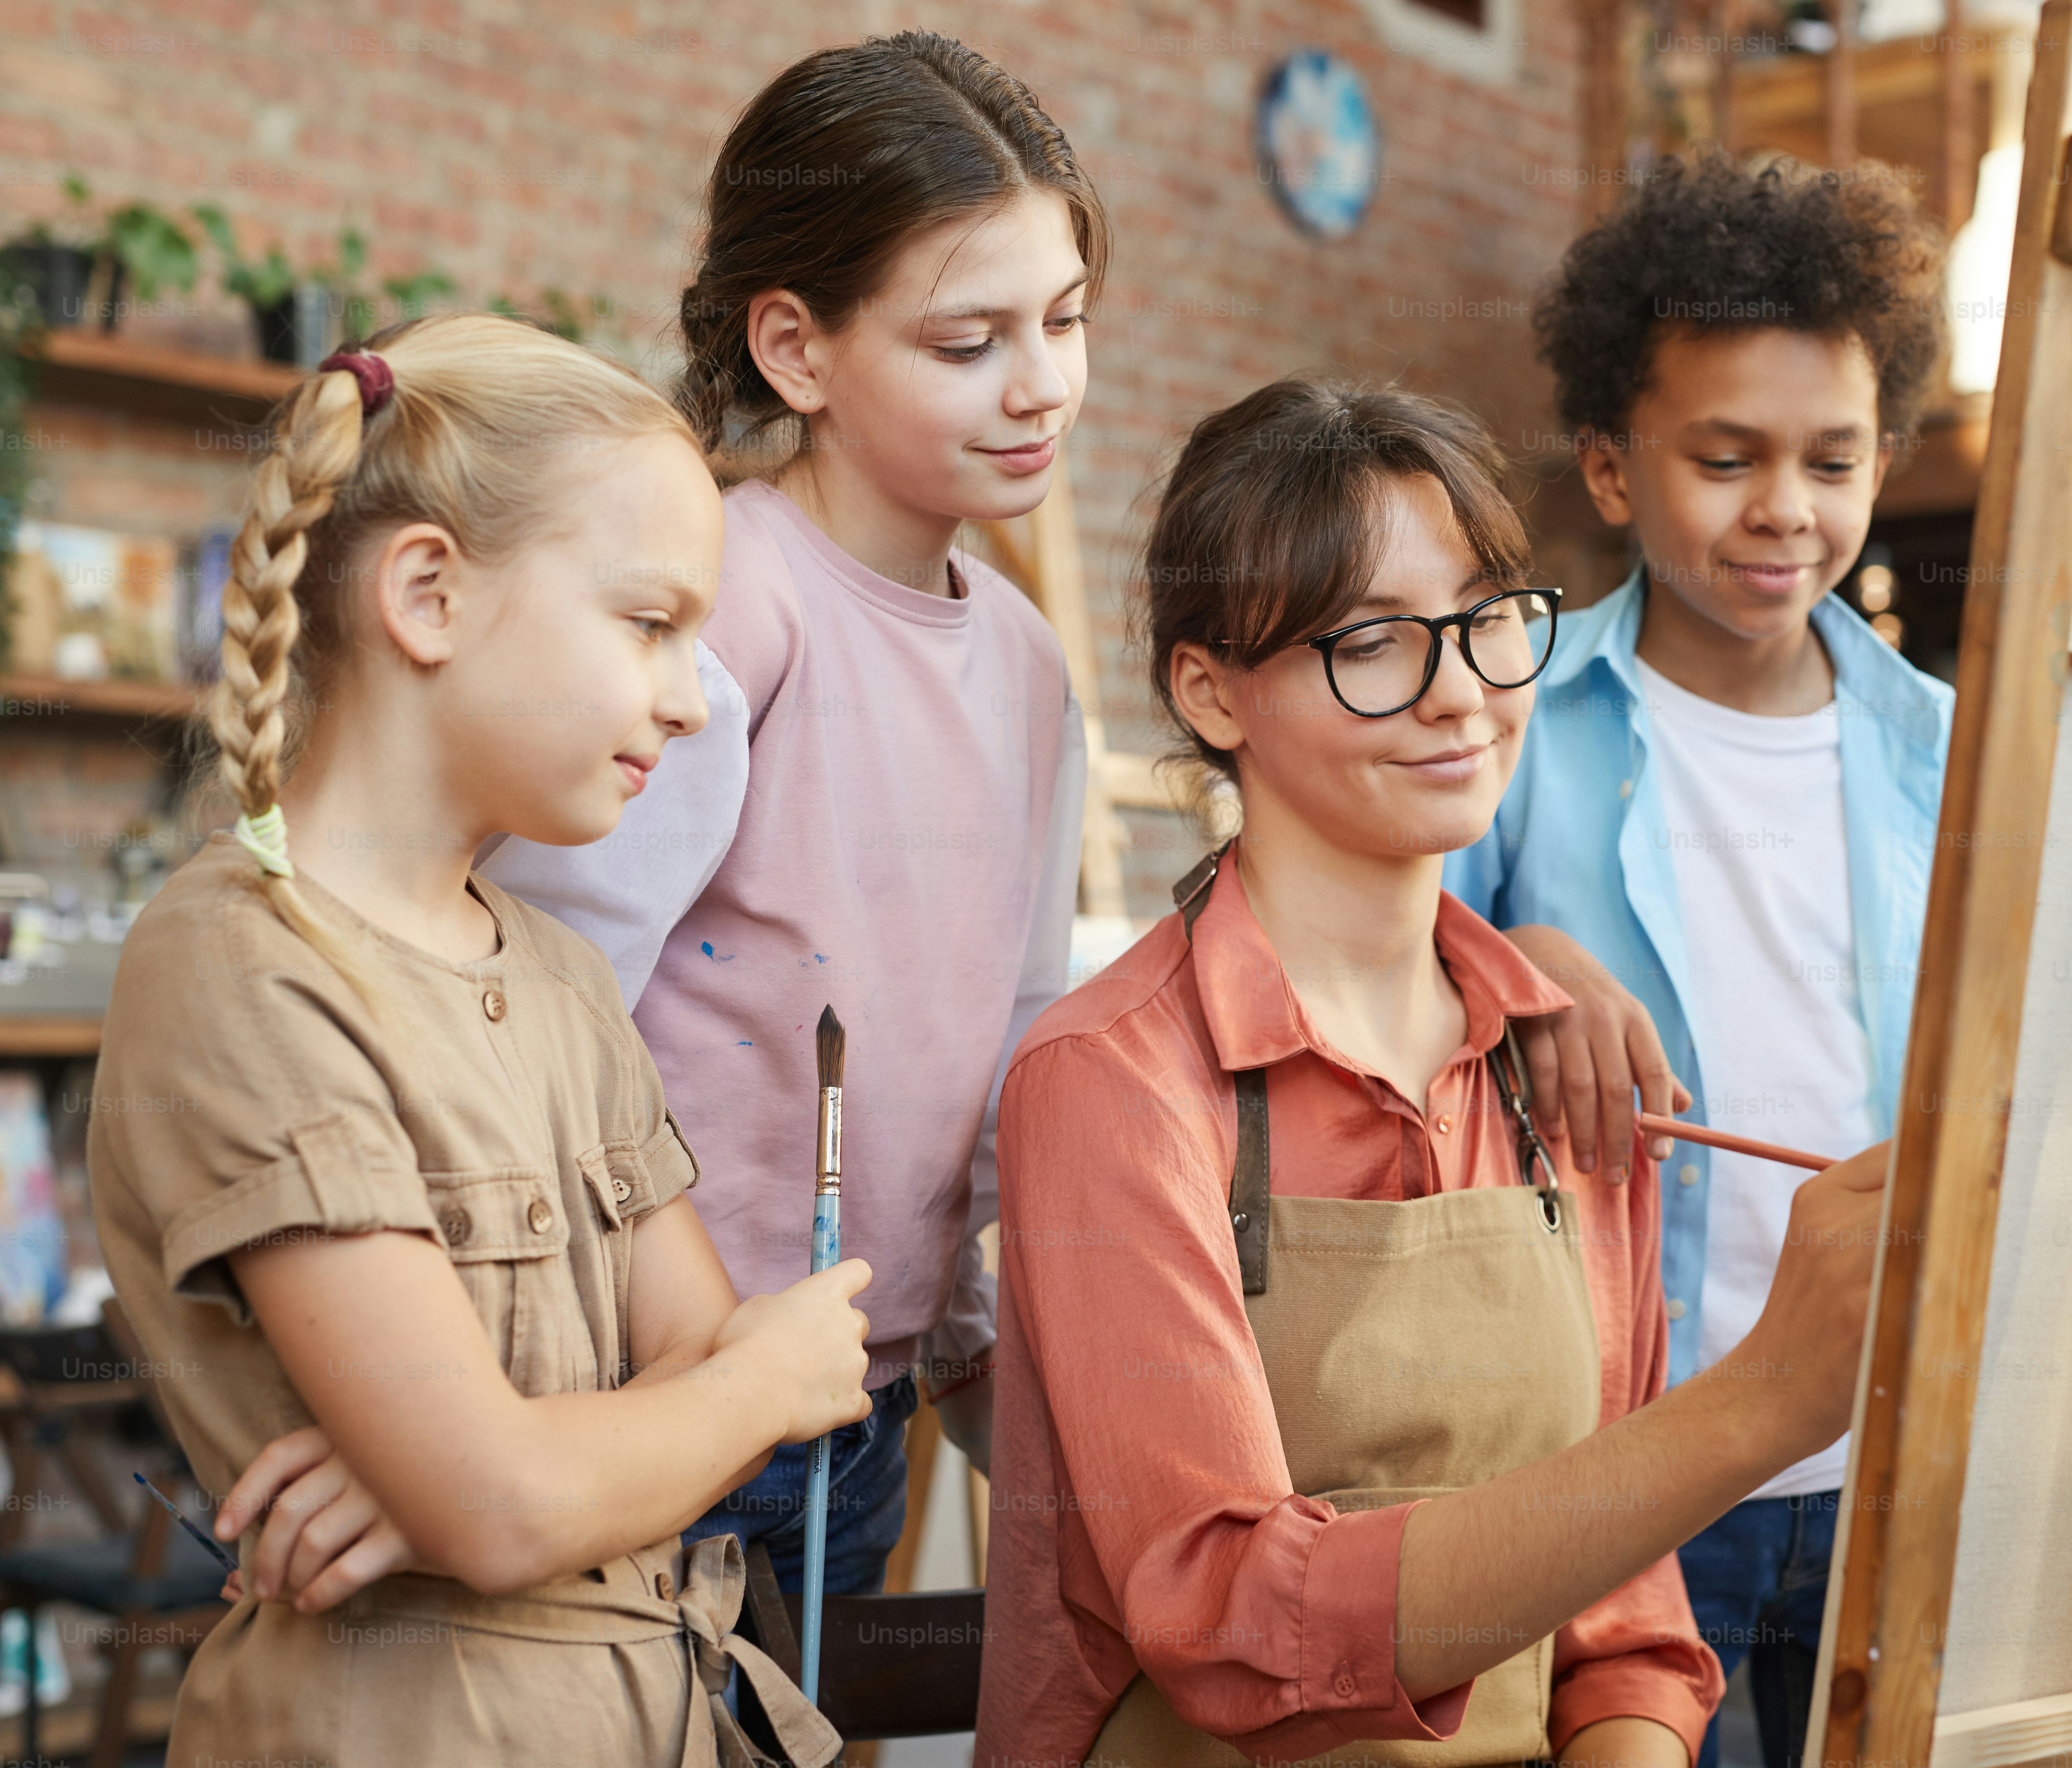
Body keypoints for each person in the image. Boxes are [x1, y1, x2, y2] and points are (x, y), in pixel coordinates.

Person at [979, 377, 1890, 1767]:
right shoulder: (1110, 1082)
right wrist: (1763, 1401)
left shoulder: (1565, 1074)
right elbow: (1229, 1618)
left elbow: (1625, 1633)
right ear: (1210, 692)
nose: (1462, 694)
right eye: (1373, 643)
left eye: (1487, 621)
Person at [88, 315, 873, 1763]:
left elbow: (628, 1397)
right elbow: (526, 1493)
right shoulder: (243, 966)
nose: (690, 700)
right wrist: (756, 1386)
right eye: (650, 624)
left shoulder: (567, 979)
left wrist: (472, 1477)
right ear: (431, 595)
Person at [477, 29, 1106, 1599]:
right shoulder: (725, 607)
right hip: (650, 1390)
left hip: (858, 1394)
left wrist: (965, 1322)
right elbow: (541, 991)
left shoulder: (1032, 665)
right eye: (968, 341)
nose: (1042, 384)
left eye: (1067, 319)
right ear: (796, 349)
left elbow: (1015, 1025)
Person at [1444, 152, 1952, 1768]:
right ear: (1610, 466)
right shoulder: (1504, 715)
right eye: (1726, 458)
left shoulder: (1952, 752)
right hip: (1635, 1457)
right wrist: (1513, 956)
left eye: (1832, 460)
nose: (1784, 507)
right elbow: (1372, 971)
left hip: (1897, 1453)